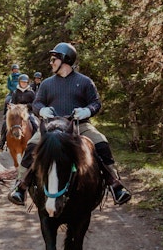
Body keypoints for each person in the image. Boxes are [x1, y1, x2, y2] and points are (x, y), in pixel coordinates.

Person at [8, 43, 132, 206]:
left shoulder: (85, 82)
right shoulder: (46, 84)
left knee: (101, 142)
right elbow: (37, 103)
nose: (51, 62)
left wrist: (87, 111)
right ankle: (21, 186)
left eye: (54, 59)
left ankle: (115, 185)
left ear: (65, 59)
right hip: (51, 126)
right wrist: (42, 110)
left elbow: (96, 103)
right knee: (31, 145)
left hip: (80, 125)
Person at [0, 74, 39, 149]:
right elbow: (13, 102)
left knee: (35, 123)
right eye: (22, 82)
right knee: (5, 124)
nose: (23, 83)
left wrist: (26, 106)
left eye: (25, 82)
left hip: (27, 112)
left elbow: (34, 104)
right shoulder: (15, 92)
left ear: (27, 83)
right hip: (17, 113)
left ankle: (36, 143)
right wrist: (12, 106)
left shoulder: (31, 92)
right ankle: (2, 142)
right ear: (19, 82)